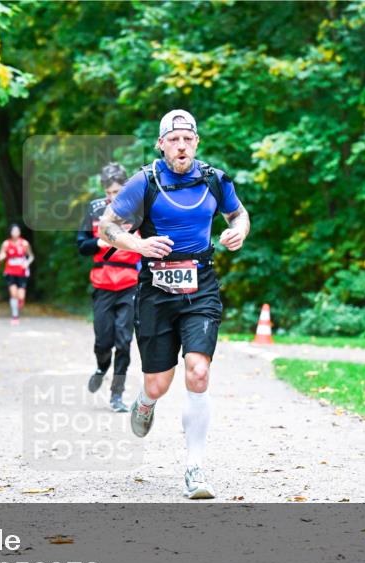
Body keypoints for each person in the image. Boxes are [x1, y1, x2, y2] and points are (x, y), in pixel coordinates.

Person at [95, 109, 251, 499]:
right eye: (173, 139)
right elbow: (107, 227)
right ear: (161, 144)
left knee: (198, 372)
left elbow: (239, 214)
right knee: (158, 383)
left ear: (196, 142)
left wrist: (238, 232)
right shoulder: (143, 182)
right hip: (155, 290)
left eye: (188, 139)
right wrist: (139, 244)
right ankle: (145, 402)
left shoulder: (215, 180)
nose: (181, 146)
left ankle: (195, 470)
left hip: (201, 284)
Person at [76, 162, 140, 413]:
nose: (113, 198)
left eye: (118, 192)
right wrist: (100, 243)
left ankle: (117, 395)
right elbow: (81, 246)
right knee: (104, 340)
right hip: (102, 282)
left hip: (130, 283)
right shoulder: (94, 210)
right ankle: (102, 366)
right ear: (104, 190)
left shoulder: (139, 211)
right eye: (109, 192)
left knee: (124, 342)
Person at [0, 224, 34, 325]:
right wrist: (0, 257)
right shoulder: (6, 243)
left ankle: (20, 301)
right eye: (13, 231)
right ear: (10, 232)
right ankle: (15, 316)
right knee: (13, 294)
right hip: (10, 271)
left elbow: (31, 256)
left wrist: (27, 262)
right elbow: (2, 254)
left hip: (21, 271)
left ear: (19, 232)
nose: (15, 233)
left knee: (21, 296)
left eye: (17, 231)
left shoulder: (24, 243)